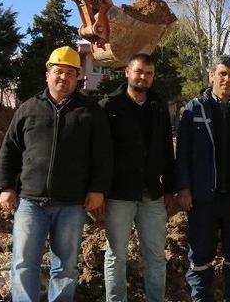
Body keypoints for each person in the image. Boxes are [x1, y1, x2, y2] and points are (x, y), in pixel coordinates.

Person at [0, 46, 112, 302]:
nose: (64, 77)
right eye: (59, 71)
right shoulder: (29, 108)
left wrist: (97, 189)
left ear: (78, 77)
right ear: (47, 73)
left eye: (70, 73)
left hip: (71, 203)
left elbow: (103, 155)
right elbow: (10, 149)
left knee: (66, 267)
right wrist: (5, 186)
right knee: (24, 263)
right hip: (30, 202)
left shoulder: (90, 112)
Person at [175, 55, 230, 302]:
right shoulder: (194, 108)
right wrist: (184, 188)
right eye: (222, 74)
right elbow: (183, 152)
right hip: (202, 198)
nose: (227, 80)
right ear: (212, 76)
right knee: (200, 257)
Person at [99, 53, 175, 302]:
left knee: (155, 255)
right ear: (127, 73)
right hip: (119, 194)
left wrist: (170, 189)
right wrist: (97, 190)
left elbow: (166, 149)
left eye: (149, 73)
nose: (143, 77)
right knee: (116, 255)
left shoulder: (158, 107)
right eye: (139, 71)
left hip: (151, 193)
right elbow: (99, 152)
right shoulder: (109, 106)